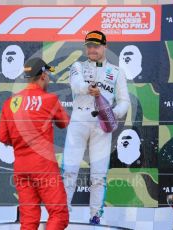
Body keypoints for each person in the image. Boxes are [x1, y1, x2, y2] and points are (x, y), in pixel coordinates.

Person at [62, 30, 130, 224]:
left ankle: (95, 216)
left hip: (102, 125)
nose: (92, 49)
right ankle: (63, 214)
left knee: (99, 174)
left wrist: (111, 113)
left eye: (96, 46)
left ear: (105, 46)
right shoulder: (77, 66)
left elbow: (124, 101)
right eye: (89, 46)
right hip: (79, 121)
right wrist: (87, 89)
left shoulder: (117, 72)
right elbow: (76, 84)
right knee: (69, 170)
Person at [0, 57, 70, 230]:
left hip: (21, 168)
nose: (49, 79)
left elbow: (3, 137)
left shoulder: (10, 103)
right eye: (48, 75)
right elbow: (64, 123)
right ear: (43, 75)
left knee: (28, 221)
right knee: (59, 215)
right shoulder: (50, 99)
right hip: (43, 166)